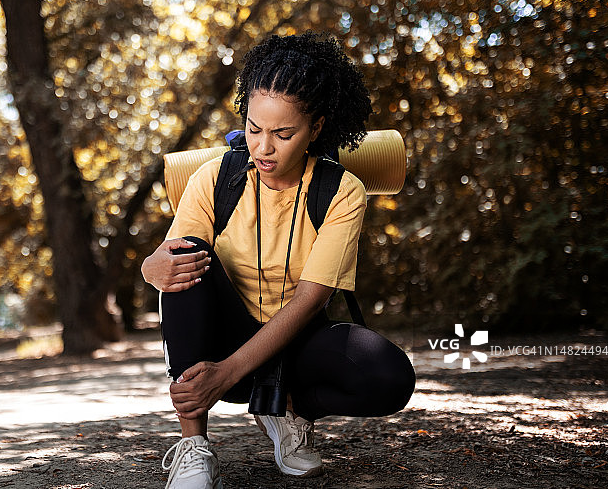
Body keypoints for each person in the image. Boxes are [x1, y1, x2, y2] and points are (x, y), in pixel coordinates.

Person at [141, 31, 416, 489]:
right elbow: (169, 263)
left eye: (283, 134)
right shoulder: (213, 179)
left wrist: (227, 374)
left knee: (389, 377)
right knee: (187, 255)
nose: (263, 148)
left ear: (317, 128)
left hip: (295, 343)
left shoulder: (340, 191)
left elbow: (311, 300)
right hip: (223, 342)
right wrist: (152, 268)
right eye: (253, 128)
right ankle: (194, 446)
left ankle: (285, 410)